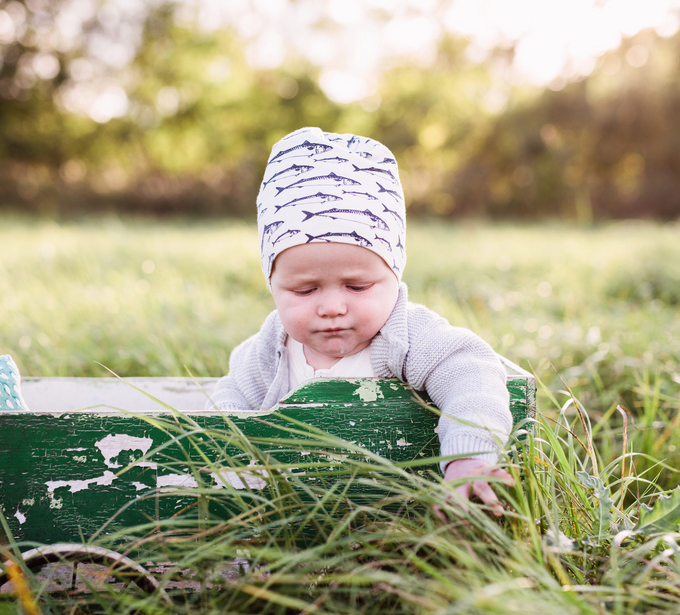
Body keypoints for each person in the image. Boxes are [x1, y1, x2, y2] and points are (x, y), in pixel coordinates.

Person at [208, 127, 515, 513]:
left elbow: (471, 372)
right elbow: (231, 400)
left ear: (394, 276)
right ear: (273, 285)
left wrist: (468, 456)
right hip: (293, 514)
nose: (332, 307)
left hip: (399, 510)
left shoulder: (405, 334)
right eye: (305, 291)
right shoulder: (271, 348)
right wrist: (232, 462)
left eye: (356, 286)